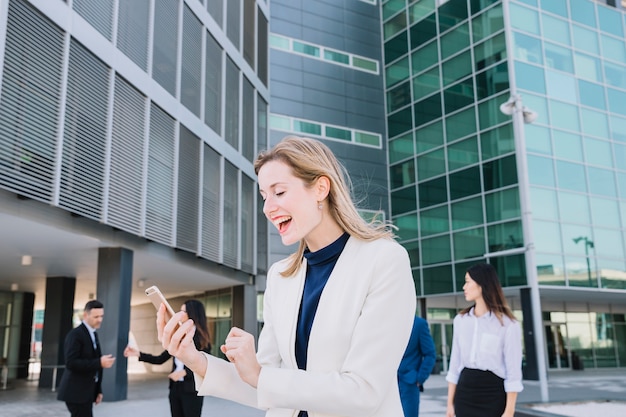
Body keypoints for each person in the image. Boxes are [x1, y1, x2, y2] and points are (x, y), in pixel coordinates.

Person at [158, 135, 416, 417]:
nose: (268, 208)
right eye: (264, 197)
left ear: (320, 188)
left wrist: (260, 376)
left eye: (279, 192)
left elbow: (364, 391)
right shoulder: (280, 277)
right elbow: (264, 383)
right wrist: (195, 360)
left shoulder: (384, 260)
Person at [445, 263, 523, 417]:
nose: (464, 287)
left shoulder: (508, 325)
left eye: (467, 281)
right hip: (465, 392)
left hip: (493, 394)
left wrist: (509, 410)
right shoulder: (461, 320)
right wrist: (449, 404)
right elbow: (455, 364)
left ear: (481, 284)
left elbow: (513, 372)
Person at [124, 300, 211, 417]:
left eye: (183, 311)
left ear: (193, 313)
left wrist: (184, 372)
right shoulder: (178, 335)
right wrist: (138, 354)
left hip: (192, 390)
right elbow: (160, 359)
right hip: (175, 388)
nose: (180, 314)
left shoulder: (202, 339)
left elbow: (205, 365)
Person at [57, 300, 116, 417]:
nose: (100, 320)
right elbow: (71, 363)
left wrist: (97, 390)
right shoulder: (75, 335)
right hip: (75, 394)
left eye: (101, 316)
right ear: (85, 315)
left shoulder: (93, 334)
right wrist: (99, 362)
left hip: (86, 393)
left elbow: (95, 367)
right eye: (96, 316)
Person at [398, 315, 437, 417]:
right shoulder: (388, 323)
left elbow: (430, 354)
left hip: (408, 383)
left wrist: (420, 378)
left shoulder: (419, 324)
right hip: (387, 384)